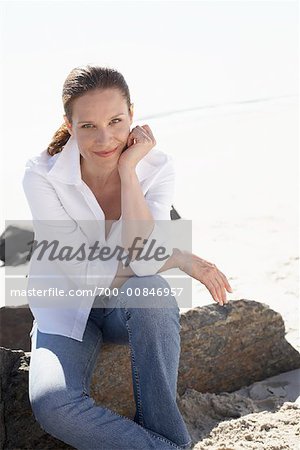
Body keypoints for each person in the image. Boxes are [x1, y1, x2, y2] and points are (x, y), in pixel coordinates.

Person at [23, 65, 233, 450]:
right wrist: (180, 257)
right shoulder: (42, 176)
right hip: (64, 308)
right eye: (88, 126)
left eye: (116, 121)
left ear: (133, 116)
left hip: (124, 308)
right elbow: (81, 271)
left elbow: (142, 260)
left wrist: (128, 170)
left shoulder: (157, 167)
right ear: (69, 125)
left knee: (151, 292)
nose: (105, 138)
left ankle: (163, 432)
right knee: (53, 404)